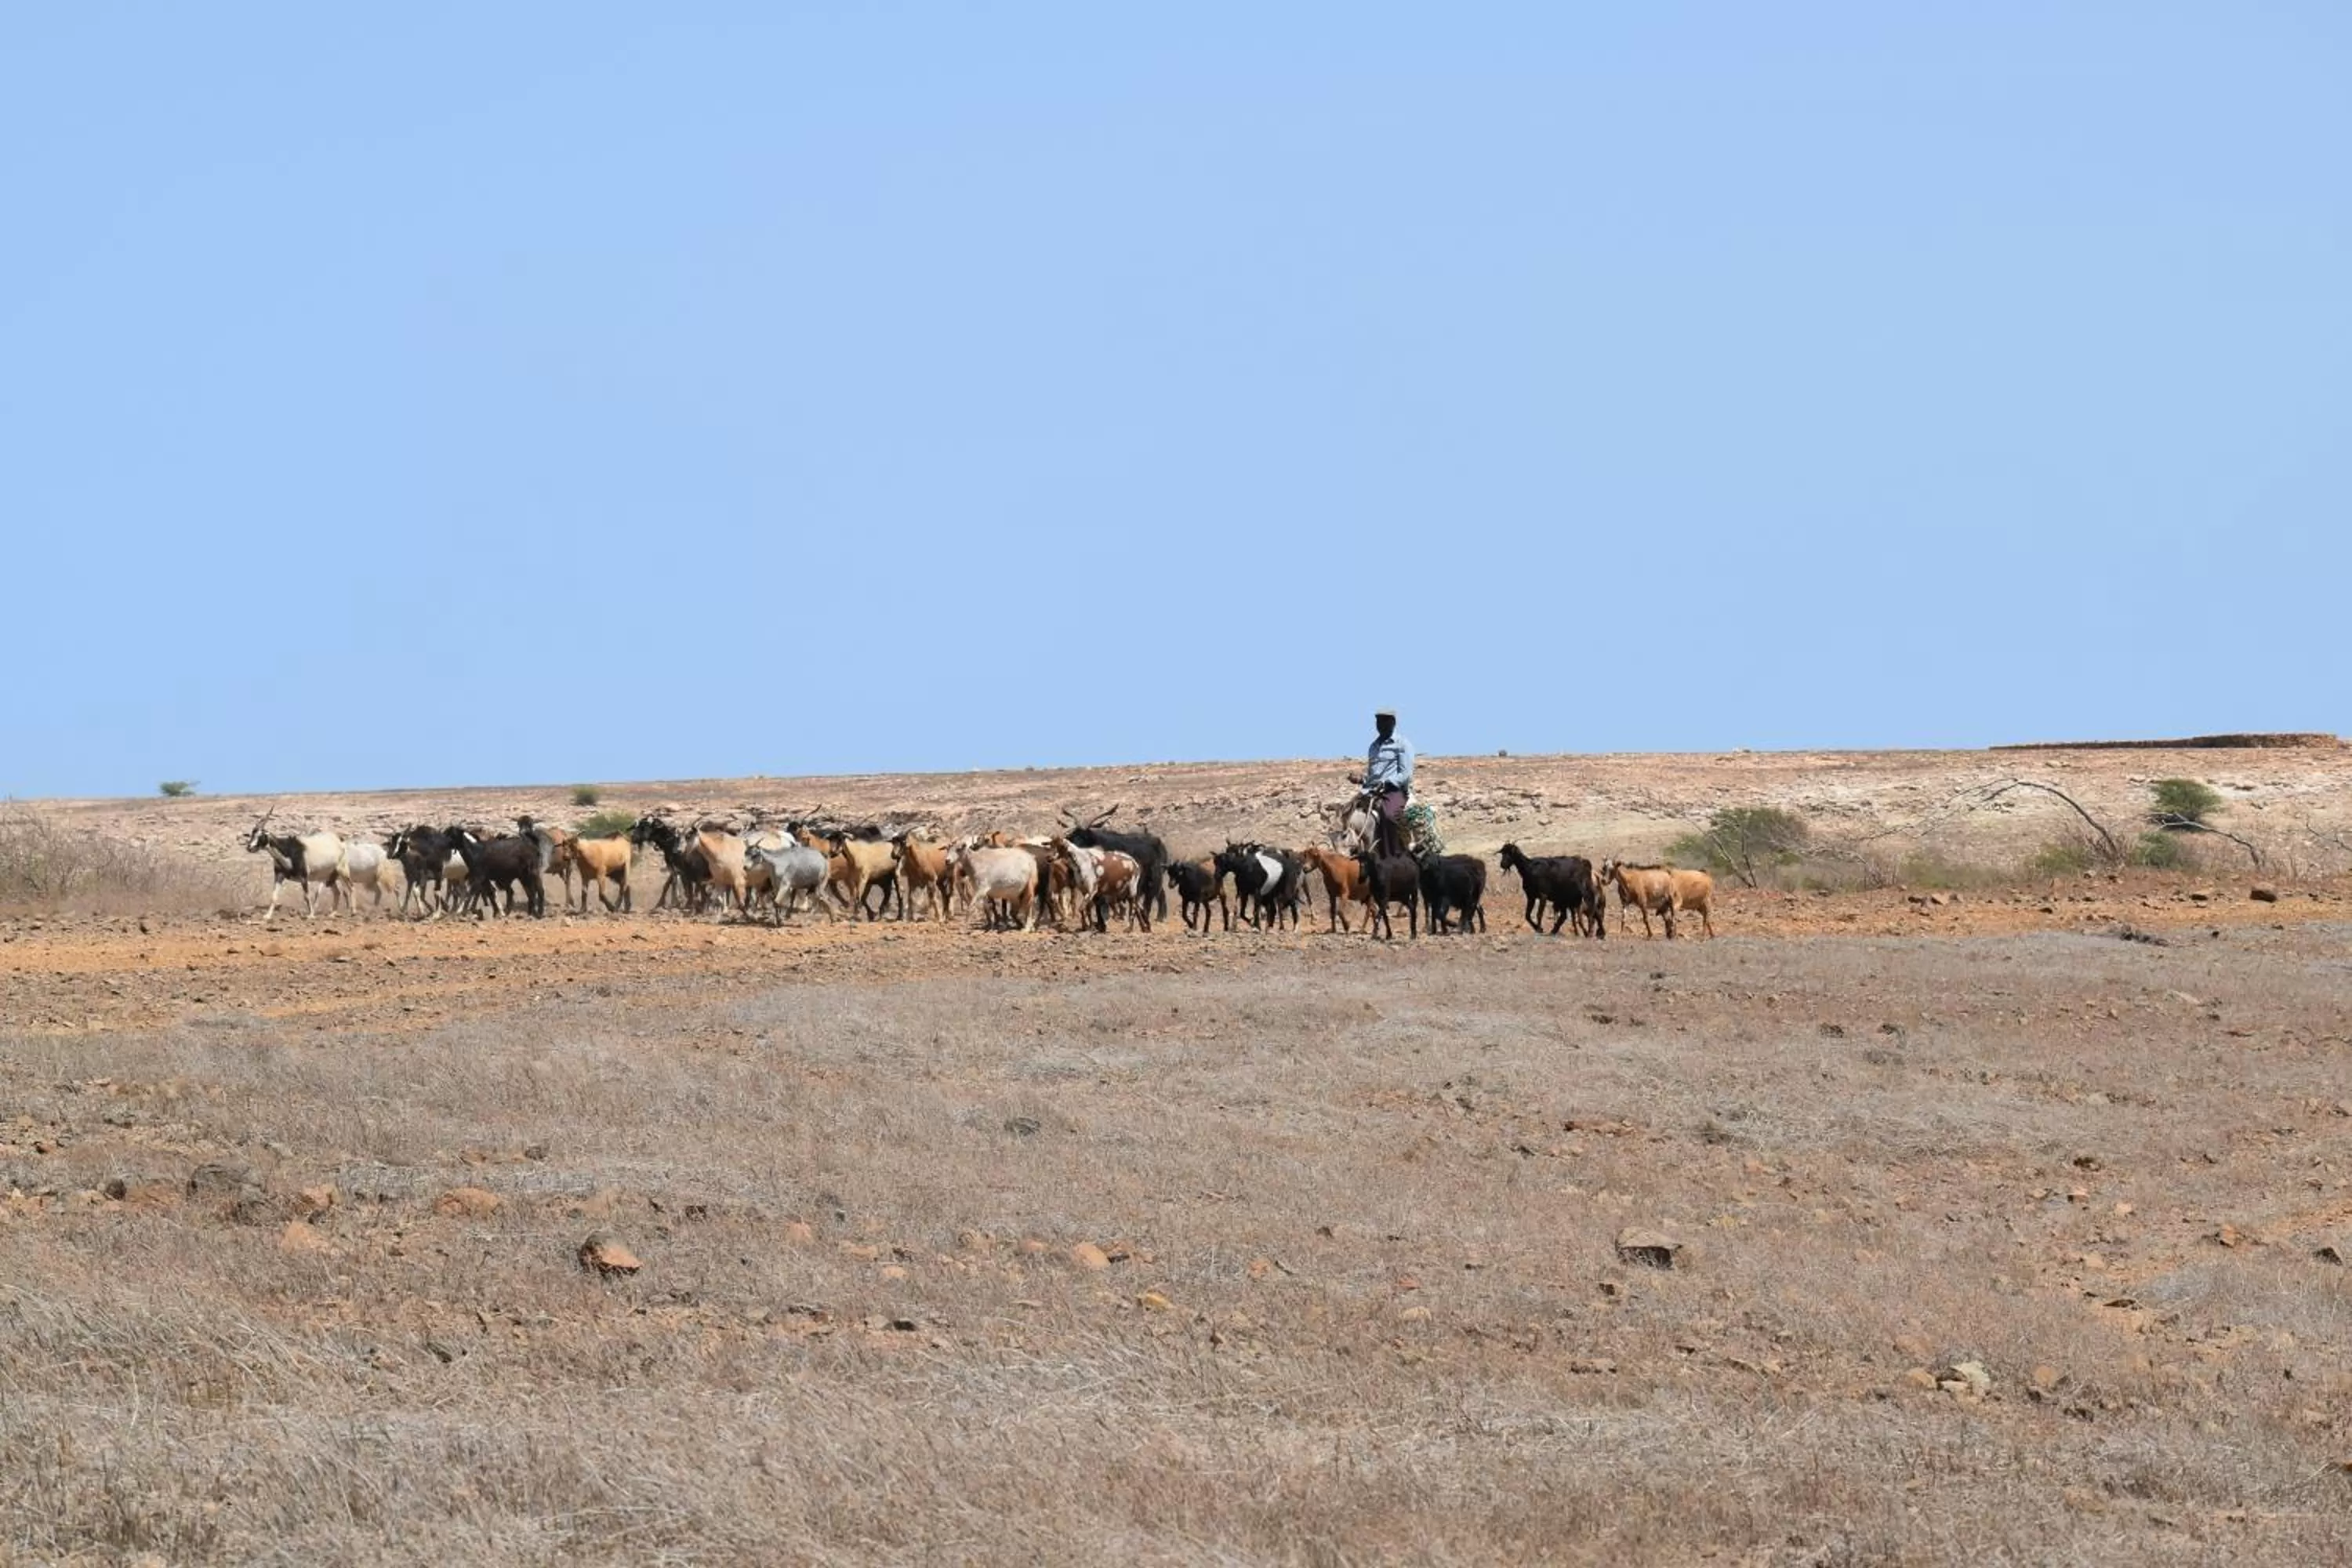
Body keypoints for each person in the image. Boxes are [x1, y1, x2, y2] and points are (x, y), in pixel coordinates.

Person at [1360, 709, 1415, 856]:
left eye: (1385, 721)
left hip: (1393, 790)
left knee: (1389, 816)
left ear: (1393, 723)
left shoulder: (1402, 744)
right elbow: (1373, 777)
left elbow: (1405, 775)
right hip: (1372, 791)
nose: (1381, 725)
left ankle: (1394, 855)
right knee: (1348, 814)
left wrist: (1386, 783)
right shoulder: (1373, 747)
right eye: (1378, 721)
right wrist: (1362, 780)